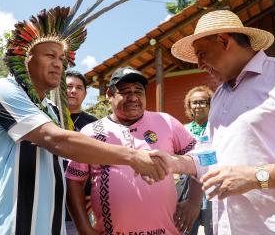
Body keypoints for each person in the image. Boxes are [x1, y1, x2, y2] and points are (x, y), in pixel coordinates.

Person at [0, 0, 168, 233]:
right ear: (26, 57)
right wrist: (132, 157)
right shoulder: (2, 91)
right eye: (50, 55)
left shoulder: (52, 110)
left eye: (62, 58)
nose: (58, 63)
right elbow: (56, 140)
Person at [159, 10, 275, 234]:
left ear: (224, 41)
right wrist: (174, 163)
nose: (199, 64)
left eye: (201, 53)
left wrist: (255, 177)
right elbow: (211, 156)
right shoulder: (220, 95)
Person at [65, 67, 201, 235]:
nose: (134, 97)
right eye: (125, 91)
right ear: (109, 94)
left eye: (139, 91)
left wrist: (194, 202)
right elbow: (73, 181)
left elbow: (200, 156)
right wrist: (84, 228)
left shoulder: (166, 122)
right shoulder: (92, 131)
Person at [178, 85, 214, 235]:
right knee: (185, 228)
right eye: (194, 102)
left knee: (212, 228)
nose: (198, 106)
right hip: (187, 186)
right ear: (189, 106)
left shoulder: (216, 128)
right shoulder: (182, 129)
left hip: (211, 184)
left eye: (202, 102)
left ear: (209, 105)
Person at [65, 70, 97, 233]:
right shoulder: (48, 118)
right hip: (47, 202)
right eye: (69, 86)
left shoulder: (94, 124)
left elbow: (101, 163)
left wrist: (95, 194)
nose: (73, 91)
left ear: (85, 93)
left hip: (80, 209)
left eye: (79, 88)